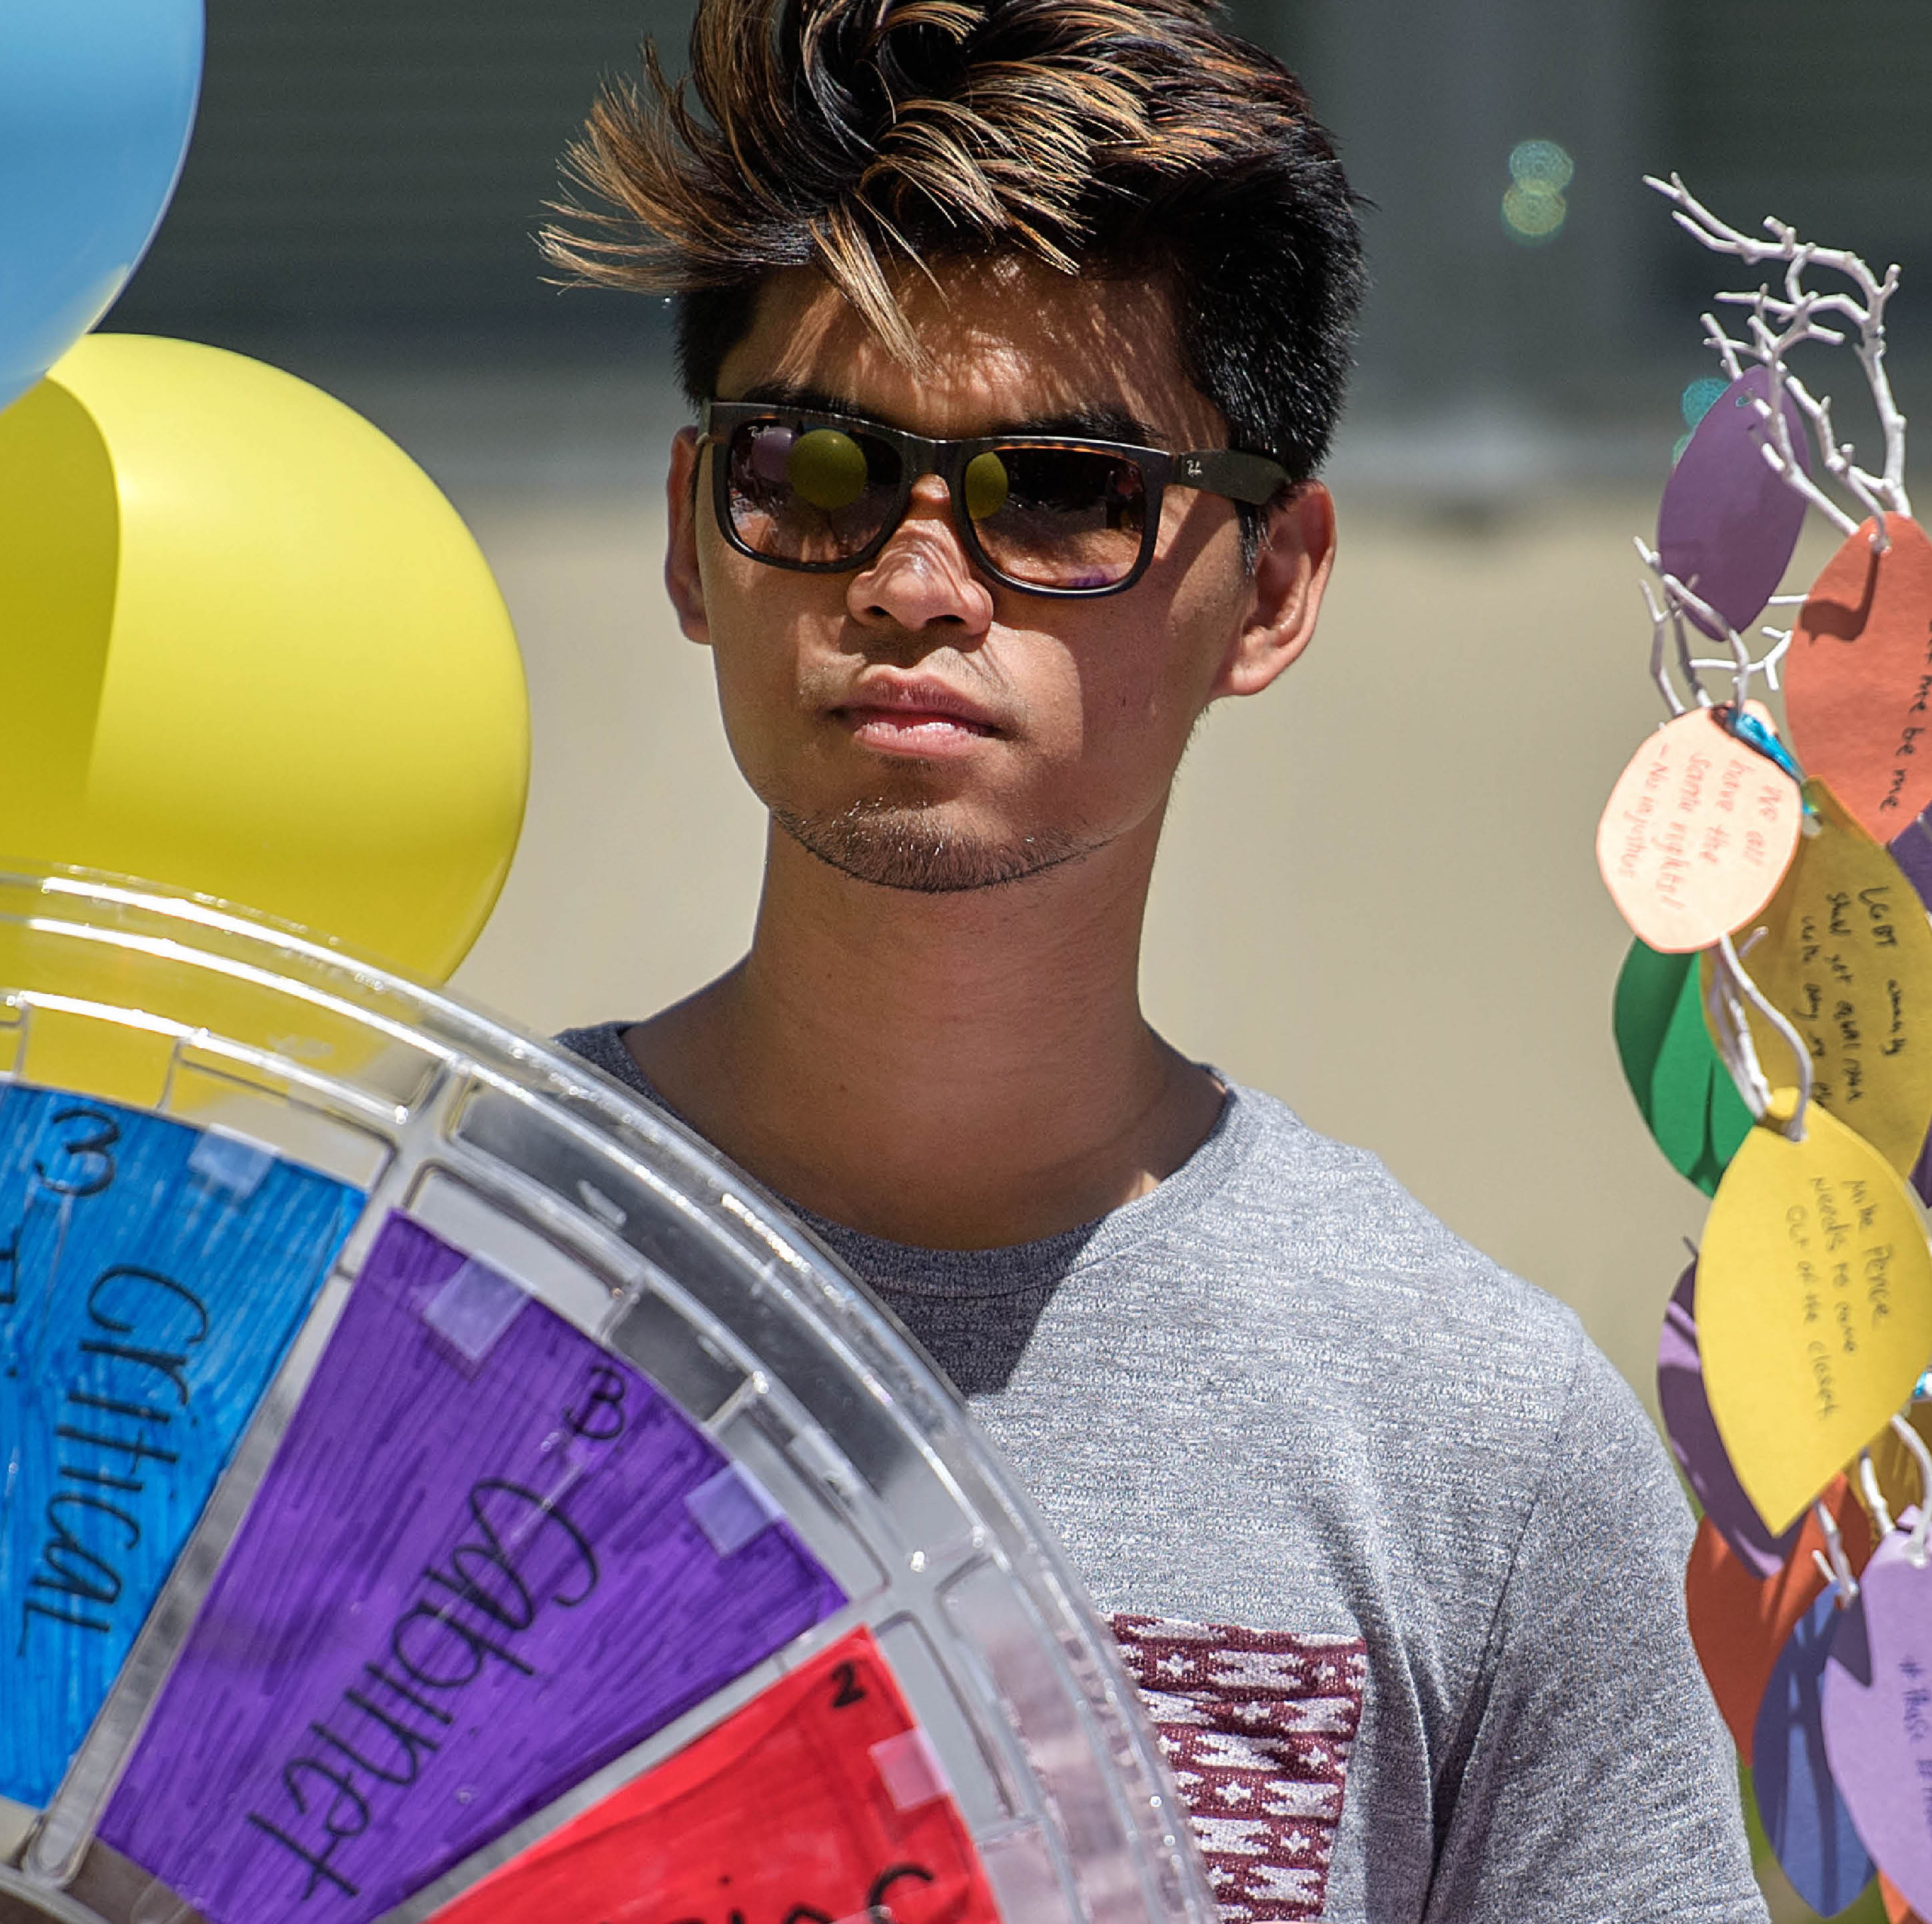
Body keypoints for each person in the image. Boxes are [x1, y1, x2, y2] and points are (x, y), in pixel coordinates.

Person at [537, 3, 1758, 1919]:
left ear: (1266, 588)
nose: (919, 580)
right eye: (815, 466)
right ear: (696, 539)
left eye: (1060, 492)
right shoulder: (382, 1276)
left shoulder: (1469, 1439)